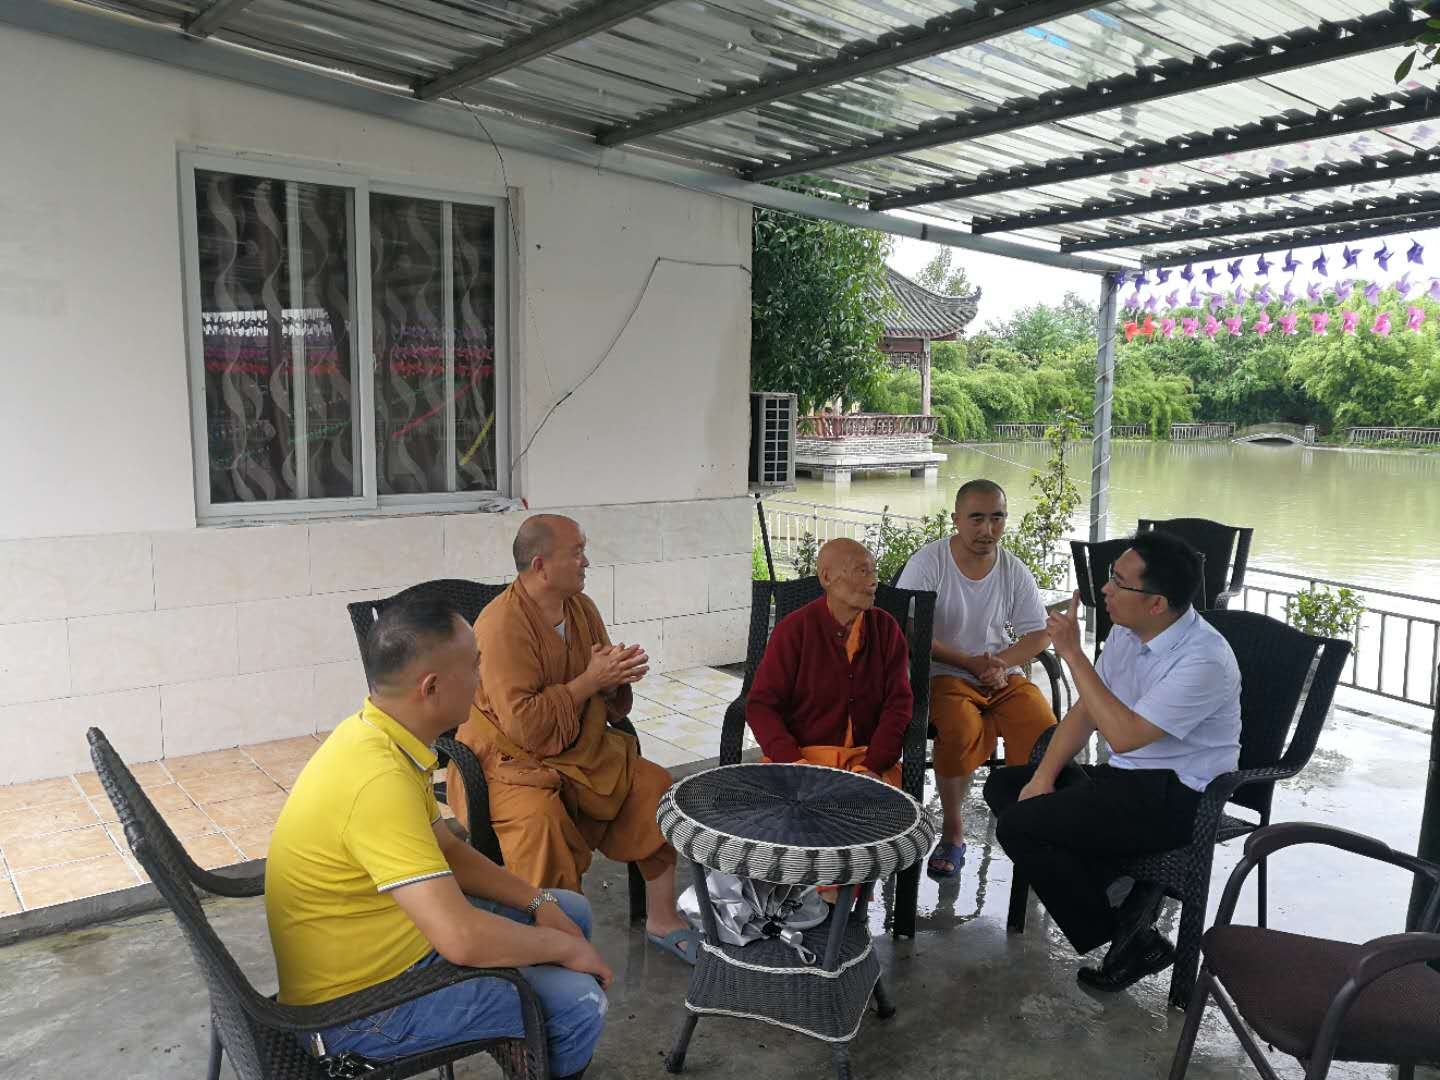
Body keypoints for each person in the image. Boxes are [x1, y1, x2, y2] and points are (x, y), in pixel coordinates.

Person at [264, 592, 611, 1077]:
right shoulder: (377, 781)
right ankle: (538, 1047)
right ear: (431, 687)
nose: (481, 678)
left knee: (567, 910)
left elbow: (446, 848)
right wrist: (567, 949)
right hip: (356, 1013)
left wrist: (537, 901)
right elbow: (461, 939)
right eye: (474, 666)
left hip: (394, 946)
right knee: (578, 1002)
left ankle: (524, 1044)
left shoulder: (380, 735)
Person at [983, 530, 1241, 992]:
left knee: (1019, 827)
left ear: (1156, 603)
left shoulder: (1204, 660)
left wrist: (1072, 654)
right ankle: (1124, 901)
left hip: (1181, 797)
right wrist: (1042, 778)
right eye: (1110, 576)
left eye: (1119, 582)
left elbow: (1125, 737)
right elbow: (1087, 710)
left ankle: (1125, 936)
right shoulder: (1128, 630)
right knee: (1006, 787)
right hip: (1128, 782)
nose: (1105, 589)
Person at [450, 514, 698, 965]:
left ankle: (662, 918)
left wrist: (614, 678)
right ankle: (559, 944)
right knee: (540, 822)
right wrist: (590, 681)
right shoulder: (501, 625)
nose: (586, 562)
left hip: (581, 750)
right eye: (577, 552)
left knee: (654, 786)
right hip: (508, 766)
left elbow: (600, 690)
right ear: (541, 566)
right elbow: (524, 726)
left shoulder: (581, 608)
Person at [896, 479, 1056, 879]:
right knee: (960, 727)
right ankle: (953, 833)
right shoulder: (929, 562)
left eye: (997, 518)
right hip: (944, 672)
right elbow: (908, 628)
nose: (987, 529)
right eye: (977, 518)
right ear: (956, 519)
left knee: (1043, 728)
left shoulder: (1012, 568)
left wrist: (1000, 663)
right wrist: (967, 662)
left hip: (999, 674)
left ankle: (1032, 826)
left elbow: (1039, 634)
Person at [745, 537, 913, 787]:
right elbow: (761, 706)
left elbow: (898, 704)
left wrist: (873, 765)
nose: (873, 581)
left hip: (867, 761)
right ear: (827, 578)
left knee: (873, 809)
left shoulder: (886, 629)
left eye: (874, 571)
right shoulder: (794, 630)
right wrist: (793, 762)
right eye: (862, 571)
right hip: (801, 759)